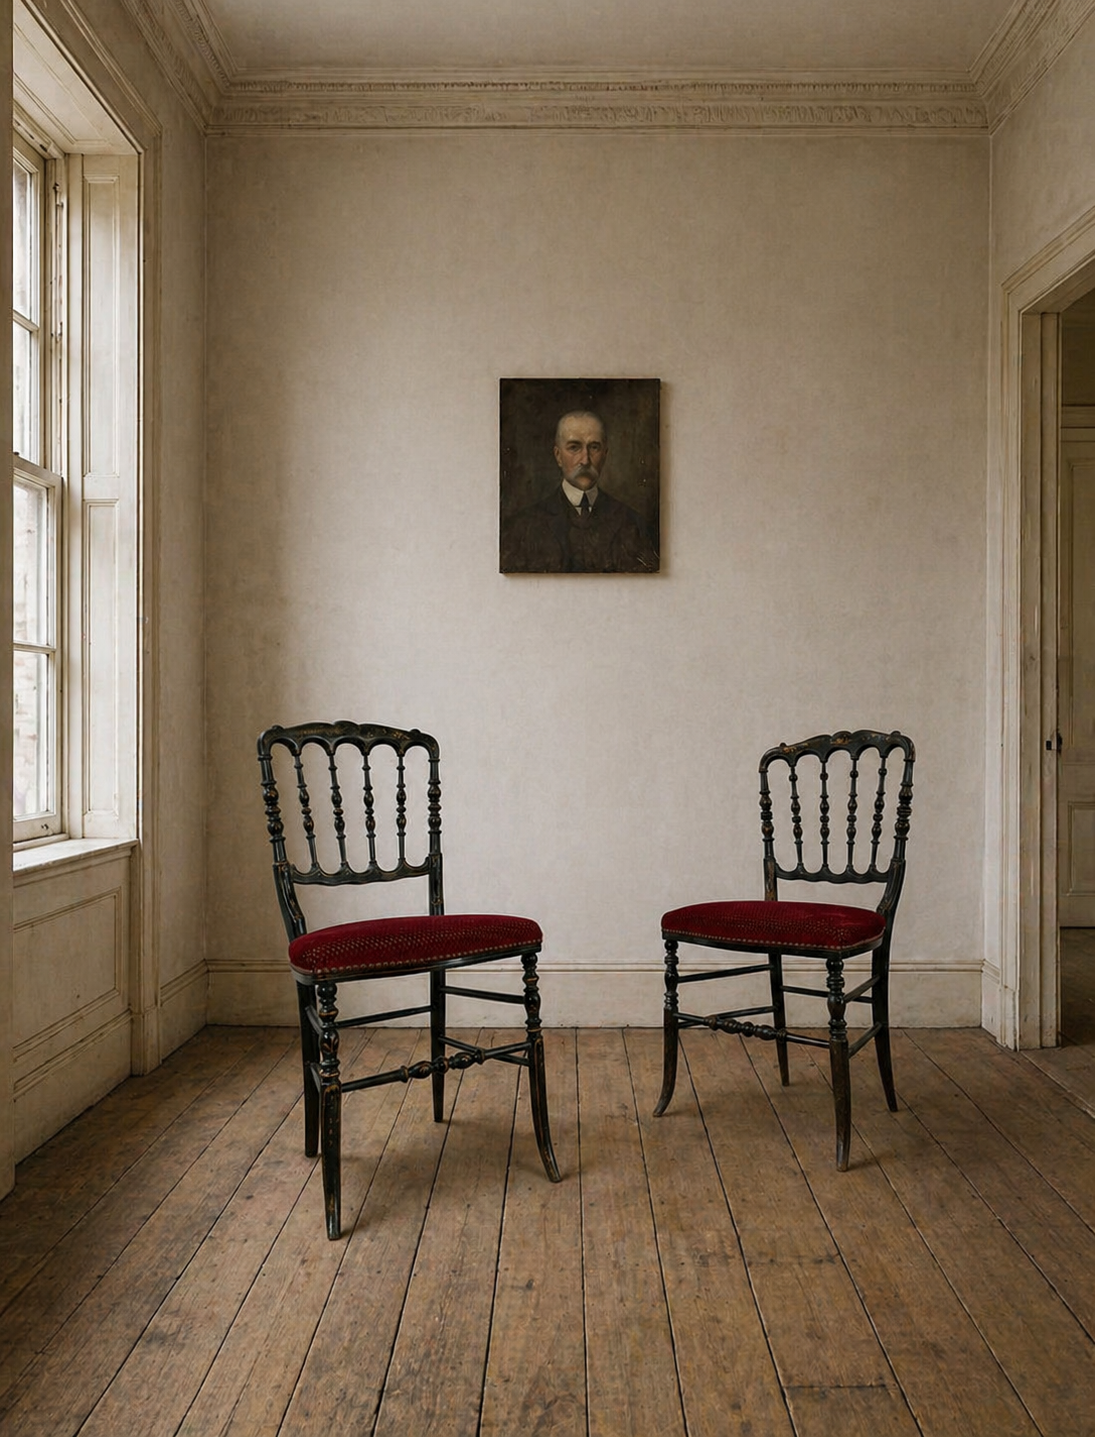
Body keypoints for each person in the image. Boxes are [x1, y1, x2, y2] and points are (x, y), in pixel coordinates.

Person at [500, 410, 659, 573]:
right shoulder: (522, 527)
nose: (585, 460)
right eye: (574, 447)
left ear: (605, 455)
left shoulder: (634, 524)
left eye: (594, 447)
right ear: (558, 456)